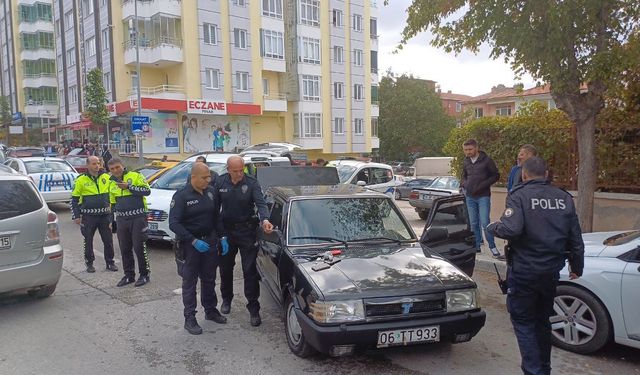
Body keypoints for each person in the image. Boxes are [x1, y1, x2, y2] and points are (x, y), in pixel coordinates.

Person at [487, 157, 584, 375]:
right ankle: (544, 369)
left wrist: (493, 227)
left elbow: (511, 230)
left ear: (524, 175)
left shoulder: (519, 195)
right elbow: (575, 238)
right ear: (547, 174)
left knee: (524, 322)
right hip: (550, 272)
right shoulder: (564, 198)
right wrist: (577, 266)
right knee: (542, 321)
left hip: (524, 272)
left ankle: (533, 371)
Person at [214, 156, 274, 326]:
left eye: (242, 170)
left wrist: (265, 220)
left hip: (246, 231)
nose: (240, 173)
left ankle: (253, 308)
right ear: (228, 170)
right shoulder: (220, 182)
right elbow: (213, 207)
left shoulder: (252, 183)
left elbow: (261, 204)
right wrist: (217, 232)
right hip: (226, 232)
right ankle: (226, 299)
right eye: (236, 171)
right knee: (225, 269)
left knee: (249, 271)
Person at [169, 163, 227, 335]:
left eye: (209, 176)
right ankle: (190, 318)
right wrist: (192, 240)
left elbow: (216, 216)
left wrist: (223, 237)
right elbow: (174, 223)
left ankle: (210, 310)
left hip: (210, 241)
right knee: (190, 283)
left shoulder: (211, 192)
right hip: (190, 245)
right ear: (193, 177)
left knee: (209, 279)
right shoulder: (181, 196)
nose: (208, 180)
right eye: (204, 177)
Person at [107, 158, 151, 287]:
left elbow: (147, 191)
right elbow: (112, 204)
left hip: (138, 218)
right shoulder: (111, 182)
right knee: (124, 248)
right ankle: (129, 275)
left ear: (123, 166)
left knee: (139, 247)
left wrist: (129, 187)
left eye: (117, 167)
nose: (115, 170)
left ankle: (144, 274)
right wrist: (112, 220)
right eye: (112, 169)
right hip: (121, 219)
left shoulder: (135, 176)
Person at [71, 156, 118, 273]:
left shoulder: (107, 177)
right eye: (93, 163)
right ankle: (89, 263)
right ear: (88, 165)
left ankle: (110, 262)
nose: (97, 166)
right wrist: (76, 216)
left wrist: (113, 213)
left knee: (108, 240)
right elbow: (74, 199)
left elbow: (114, 195)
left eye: (98, 163)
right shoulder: (80, 180)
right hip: (88, 216)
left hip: (105, 215)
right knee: (88, 240)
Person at [460, 139, 504, 259]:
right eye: (466, 150)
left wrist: (483, 185)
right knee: (474, 223)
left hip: (483, 196)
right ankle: (477, 245)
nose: (468, 152)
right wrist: (464, 184)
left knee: (485, 222)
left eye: (470, 149)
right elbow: (463, 175)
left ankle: (492, 247)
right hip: (470, 197)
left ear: (476, 148)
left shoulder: (487, 161)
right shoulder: (466, 161)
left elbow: (496, 175)